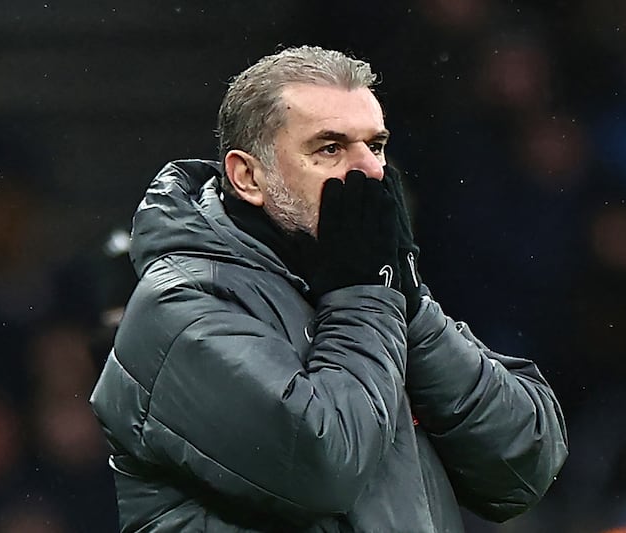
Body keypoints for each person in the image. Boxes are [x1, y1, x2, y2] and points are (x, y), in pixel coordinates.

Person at [90, 45, 568, 532]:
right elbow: (324, 464)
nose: (371, 172)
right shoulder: (180, 307)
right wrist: (367, 294)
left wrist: (408, 301)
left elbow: (522, 466)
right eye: (330, 148)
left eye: (376, 146)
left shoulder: (365, 290)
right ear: (248, 177)